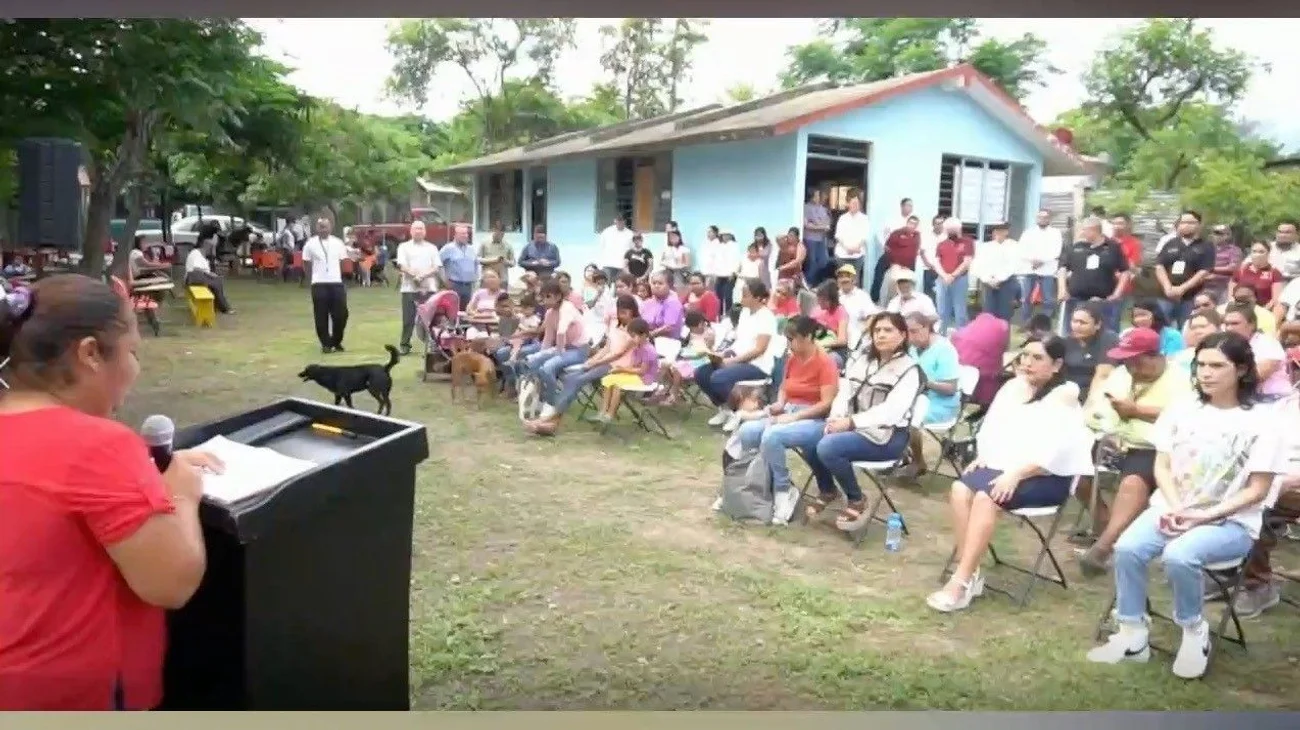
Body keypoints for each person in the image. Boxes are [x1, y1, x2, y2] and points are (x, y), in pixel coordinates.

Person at [0, 275, 222, 709]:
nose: (136, 370)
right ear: (90, 354)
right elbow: (171, 583)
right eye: (133, 352)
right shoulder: (96, 446)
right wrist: (179, 493)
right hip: (78, 693)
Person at [1086, 331, 1286, 680]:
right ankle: (1132, 635)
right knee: (1128, 548)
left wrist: (1201, 516)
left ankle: (1195, 632)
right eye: (1201, 365)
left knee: (1180, 555)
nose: (1206, 373)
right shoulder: (1182, 409)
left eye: (1217, 366)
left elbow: (1258, 490)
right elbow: (1161, 464)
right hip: (1173, 509)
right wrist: (1178, 507)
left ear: (1241, 369)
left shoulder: (1264, 421)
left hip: (1230, 523)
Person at [927, 334, 1094, 612]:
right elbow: (993, 428)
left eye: (1037, 358)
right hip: (1005, 467)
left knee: (985, 498)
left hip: (1047, 476)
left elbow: (1055, 453)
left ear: (1056, 365)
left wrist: (1017, 473)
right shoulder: (1014, 387)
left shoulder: (1063, 395)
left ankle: (961, 580)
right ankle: (972, 570)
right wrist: (984, 456)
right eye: (1025, 355)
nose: (1027, 363)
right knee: (959, 489)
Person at [1075, 327, 1193, 576]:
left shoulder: (1181, 382)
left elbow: (1184, 420)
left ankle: (1103, 547)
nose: (1132, 368)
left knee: (1133, 481)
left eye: (1137, 361)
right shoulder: (1121, 375)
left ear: (1156, 356)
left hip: (1150, 448)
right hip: (1111, 441)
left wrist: (1138, 411)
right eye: (1127, 362)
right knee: (1074, 470)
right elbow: (1097, 409)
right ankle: (1106, 527)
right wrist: (1107, 430)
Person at [802, 312, 924, 532]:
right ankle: (827, 489)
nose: (881, 335)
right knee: (809, 439)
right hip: (853, 426)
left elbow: (890, 413)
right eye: (877, 330)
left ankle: (856, 498)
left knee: (828, 447)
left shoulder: (910, 370)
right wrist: (837, 416)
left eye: (888, 330)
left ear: (903, 335)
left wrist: (850, 422)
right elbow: (845, 390)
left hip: (887, 437)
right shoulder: (863, 360)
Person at [733, 315, 841, 524]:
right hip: (789, 411)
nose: (789, 344)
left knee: (773, 435)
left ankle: (783, 491)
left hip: (815, 419)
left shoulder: (825, 363)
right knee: (748, 431)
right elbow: (785, 386)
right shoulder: (792, 359)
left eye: (792, 339)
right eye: (787, 339)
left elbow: (826, 404)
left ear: (808, 337)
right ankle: (757, 483)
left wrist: (794, 416)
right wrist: (780, 403)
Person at [524, 294, 639, 436]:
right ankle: (551, 420)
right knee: (570, 378)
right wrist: (591, 361)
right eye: (619, 312)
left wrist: (594, 363)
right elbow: (607, 348)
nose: (622, 316)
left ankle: (551, 421)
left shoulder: (635, 328)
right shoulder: (615, 325)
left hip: (618, 367)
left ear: (633, 311)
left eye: (625, 313)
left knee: (577, 380)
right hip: (605, 362)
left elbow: (619, 354)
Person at [697, 279, 778, 427]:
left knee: (719, 378)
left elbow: (759, 350)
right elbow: (740, 341)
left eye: (746, 295)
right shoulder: (745, 313)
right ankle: (724, 408)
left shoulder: (766, 317)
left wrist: (733, 361)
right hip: (737, 357)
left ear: (758, 298)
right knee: (701, 374)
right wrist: (724, 353)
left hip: (757, 365)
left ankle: (738, 412)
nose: (742, 298)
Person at [903, 312, 962, 479]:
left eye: (914, 331)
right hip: (917, 399)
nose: (911, 337)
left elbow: (951, 388)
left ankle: (918, 460)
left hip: (942, 404)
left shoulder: (944, 349)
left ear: (927, 327)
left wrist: (926, 383)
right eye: (907, 332)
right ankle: (900, 455)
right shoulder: (913, 348)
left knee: (908, 420)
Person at [523, 281, 591, 422]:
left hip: (579, 350)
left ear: (558, 296)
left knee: (548, 367)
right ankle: (540, 398)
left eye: (549, 297)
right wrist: (542, 354)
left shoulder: (567, 308)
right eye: (543, 297)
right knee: (534, 362)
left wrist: (559, 353)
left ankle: (551, 403)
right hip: (564, 349)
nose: (546, 301)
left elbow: (561, 331)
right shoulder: (549, 313)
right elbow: (548, 339)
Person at [1057, 216, 1129, 334]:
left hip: (1103, 300)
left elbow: (1125, 271)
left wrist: (1117, 293)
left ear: (1093, 230)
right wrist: (1062, 289)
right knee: (1072, 332)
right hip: (1076, 299)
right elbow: (1062, 267)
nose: (1081, 233)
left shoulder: (1113, 247)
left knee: (1106, 333)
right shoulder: (1076, 246)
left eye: (1084, 230)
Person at [592, 318, 659, 424]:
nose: (632, 339)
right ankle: (603, 411)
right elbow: (633, 365)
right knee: (609, 379)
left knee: (618, 385)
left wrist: (622, 370)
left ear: (644, 335)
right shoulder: (637, 347)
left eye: (634, 336)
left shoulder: (648, 350)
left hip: (645, 379)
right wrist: (620, 370)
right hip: (636, 376)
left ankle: (610, 414)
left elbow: (642, 371)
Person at [1154, 210, 1214, 327]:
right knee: (1161, 326)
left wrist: (1182, 289)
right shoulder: (1171, 243)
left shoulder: (1206, 246)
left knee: (1187, 326)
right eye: (1182, 222)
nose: (1185, 225)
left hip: (1191, 297)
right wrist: (1168, 287)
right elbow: (1159, 266)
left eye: (1190, 222)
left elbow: (1204, 271)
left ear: (1199, 225)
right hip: (1166, 295)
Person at [1222, 303, 1291, 399]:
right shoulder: (1225, 345)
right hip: (1245, 401)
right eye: (1226, 324)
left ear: (1252, 325)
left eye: (1235, 323)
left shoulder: (1268, 343)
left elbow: (1255, 376)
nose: (1229, 328)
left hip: (1275, 400)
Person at [302, 217, 349, 353]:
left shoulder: (338, 243)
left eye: (326, 226)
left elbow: (342, 261)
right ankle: (326, 344)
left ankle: (336, 340)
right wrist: (310, 279)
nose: (323, 229)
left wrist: (338, 275)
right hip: (319, 283)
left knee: (341, 314)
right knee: (321, 315)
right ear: (317, 228)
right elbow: (306, 262)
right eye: (321, 227)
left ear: (331, 227)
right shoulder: (310, 244)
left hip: (336, 282)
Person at [395, 220, 442, 356]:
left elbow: (436, 267)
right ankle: (405, 345)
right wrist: (415, 275)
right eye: (416, 229)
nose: (418, 231)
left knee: (430, 319)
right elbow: (402, 265)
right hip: (409, 288)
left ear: (425, 231)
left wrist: (422, 276)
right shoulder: (404, 247)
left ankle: (432, 345)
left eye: (421, 229)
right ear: (411, 231)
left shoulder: (432, 248)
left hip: (429, 288)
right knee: (408, 319)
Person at [1062, 302, 1119, 405]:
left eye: (1083, 322)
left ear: (1097, 325)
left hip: (1095, 393)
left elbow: (1103, 375)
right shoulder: (1066, 342)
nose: (1077, 326)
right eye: (1074, 321)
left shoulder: (1109, 339)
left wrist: (1090, 404)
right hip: (1068, 392)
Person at [1017, 210, 1064, 326]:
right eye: (1040, 217)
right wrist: (1032, 260)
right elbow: (1021, 249)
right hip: (1029, 268)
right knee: (1026, 298)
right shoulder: (1028, 232)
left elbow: (1056, 251)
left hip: (1047, 269)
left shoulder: (1055, 233)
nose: (1042, 219)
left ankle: (1044, 324)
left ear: (1049, 219)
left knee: (1048, 299)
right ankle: (1026, 324)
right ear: (1036, 218)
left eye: (1045, 217)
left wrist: (1042, 260)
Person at [970, 223, 1020, 322]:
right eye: (996, 230)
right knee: (988, 314)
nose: (998, 233)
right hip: (988, 284)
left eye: (1002, 230)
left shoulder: (1014, 246)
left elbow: (1013, 265)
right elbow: (976, 266)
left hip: (1007, 283)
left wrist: (999, 279)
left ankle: (1003, 337)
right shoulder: (985, 247)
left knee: (1004, 315)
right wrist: (987, 279)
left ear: (1007, 232)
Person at [933, 218, 975, 333]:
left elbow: (967, 262)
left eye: (952, 229)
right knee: (941, 311)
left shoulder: (967, 242)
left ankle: (962, 337)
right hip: (942, 280)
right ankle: (941, 335)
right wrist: (944, 276)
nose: (950, 232)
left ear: (958, 229)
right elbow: (936, 262)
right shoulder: (941, 244)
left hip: (960, 280)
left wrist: (953, 276)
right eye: (948, 229)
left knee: (960, 311)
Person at [183, 239, 234, 315]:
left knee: (217, 281)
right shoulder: (197, 254)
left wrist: (211, 274)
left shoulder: (198, 254)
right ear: (206, 247)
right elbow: (197, 268)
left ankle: (218, 305)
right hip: (194, 276)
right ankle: (224, 308)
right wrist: (210, 274)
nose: (212, 252)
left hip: (194, 276)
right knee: (217, 283)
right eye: (211, 249)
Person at [834, 263, 878, 349]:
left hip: (858, 342)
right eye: (841, 277)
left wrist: (862, 334)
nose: (843, 279)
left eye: (847, 276)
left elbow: (872, 316)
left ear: (854, 279)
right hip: (837, 340)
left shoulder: (862, 296)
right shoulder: (835, 296)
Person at [880, 215, 922, 304]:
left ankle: (907, 304)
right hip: (896, 265)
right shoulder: (897, 233)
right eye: (910, 223)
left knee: (912, 284)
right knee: (893, 281)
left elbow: (915, 251)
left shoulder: (917, 236)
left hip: (909, 267)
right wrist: (894, 262)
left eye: (915, 224)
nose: (912, 226)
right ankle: (889, 303)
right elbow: (887, 247)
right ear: (907, 223)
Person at [810, 280, 850, 367]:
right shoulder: (816, 310)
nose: (820, 303)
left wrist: (822, 345)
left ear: (832, 300)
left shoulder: (841, 312)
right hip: (815, 346)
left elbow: (842, 340)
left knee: (825, 361)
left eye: (823, 301)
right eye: (819, 299)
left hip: (836, 351)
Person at [1232, 241, 1282, 310]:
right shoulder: (1241, 270)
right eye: (1254, 251)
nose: (1257, 254)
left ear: (1268, 254)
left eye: (1261, 252)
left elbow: (1275, 299)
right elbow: (1231, 294)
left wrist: (1263, 310)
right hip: (1239, 308)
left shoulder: (1274, 273)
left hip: (1263, 309)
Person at [832, 192, 869, 285]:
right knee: (842, 279)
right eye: (853, 203)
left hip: (858, 254)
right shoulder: (842, 218)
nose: (855, 205)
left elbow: (865, 235)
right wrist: (847, 248)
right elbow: (838, 235)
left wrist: (856, 248)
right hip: (843, 254)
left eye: (857, 203)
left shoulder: (864, 219)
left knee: (855, 280)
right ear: (848, 204)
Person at [1170, 309, 1221, 376]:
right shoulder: (1179, 358)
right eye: (1193, 328)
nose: (1197, 331)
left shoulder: (1226, 354)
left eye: (1203, 326)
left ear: (1218, 328)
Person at [700, 226, 740, 309]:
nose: (725, 237)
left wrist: (733, 272)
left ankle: (729, 314)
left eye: (727, 235)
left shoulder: (735, 246)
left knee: (728, 296)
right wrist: (714, 273)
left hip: (730, 275)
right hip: (719, 274)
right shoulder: (719, 246)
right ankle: (719, 314)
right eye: (723, 235)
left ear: (730, 236)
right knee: (718, 296)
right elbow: (716, 261)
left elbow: (737, 261)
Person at [639, 271, 685, 340]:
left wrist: (649, 335)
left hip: (667, 343)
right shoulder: (647, 303)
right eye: (654, 283)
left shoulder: (673, 302)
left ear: (669, 285)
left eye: (660, 283)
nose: (656, 286)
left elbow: (669, 327)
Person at [1205, 224, 1244, 303]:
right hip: (1205, 286)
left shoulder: (1234, 250)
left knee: (1222, 310)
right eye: (1214, 233)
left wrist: (1212, 269)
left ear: (1227, 236)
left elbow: (1233, 267)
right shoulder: (1206, 249)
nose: (1216, 236)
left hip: (1224, 287)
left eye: (1219, 233)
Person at [803, 190, 833, 287]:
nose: (818, 197)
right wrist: (820, 226)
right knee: (812, 262)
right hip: (810, 239)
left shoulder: (823, 209)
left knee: (824, 261)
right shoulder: (805, 207)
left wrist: (816, 225)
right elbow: (807, 225)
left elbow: (827, 224)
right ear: (811, 197)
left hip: (821, 239)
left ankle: (815, 282)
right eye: (816, 195)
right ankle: (808, 283)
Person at [597, 215, 634, 283]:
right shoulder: (607, 231)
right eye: (618, 220)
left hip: (623, 267)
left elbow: (632, 250)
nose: (619, 222)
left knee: (620, 286)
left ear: (625, 221)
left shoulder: (630, 234)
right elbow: (602, 246)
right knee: (607, 285)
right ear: (615, 221)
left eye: (621, 220)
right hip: (608, 265)